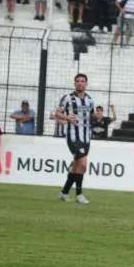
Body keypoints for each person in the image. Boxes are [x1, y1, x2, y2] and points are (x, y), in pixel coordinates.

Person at [55, 73, 96, 203]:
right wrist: (67, 117)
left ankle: (64, 192)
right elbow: (57, 113)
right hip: (73, 137)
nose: (80, 83)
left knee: (78, 167)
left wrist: (97, 116)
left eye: (82, 81)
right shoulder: (68, 98)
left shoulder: (90, 99)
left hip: (86, 138)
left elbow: (92, 115)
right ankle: (79, 195)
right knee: (83, 164)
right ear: (74, 83)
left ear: (86, 83)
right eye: (77, 81)